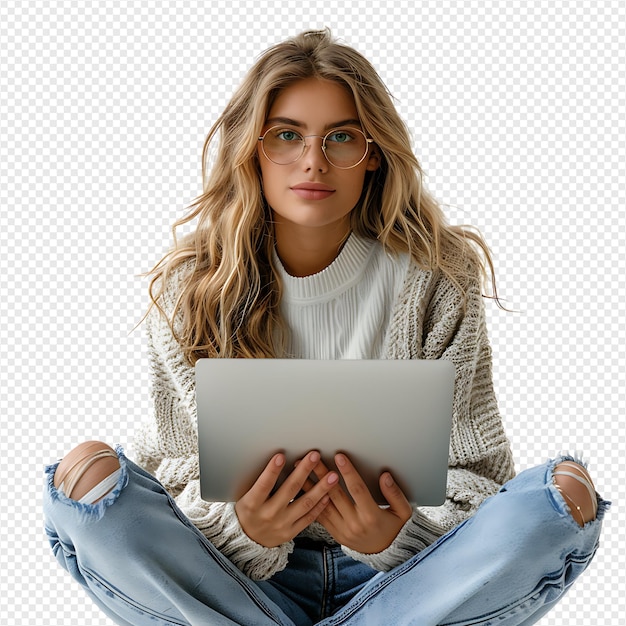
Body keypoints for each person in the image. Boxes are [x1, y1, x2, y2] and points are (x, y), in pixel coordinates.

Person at [43, 29, 608, 625]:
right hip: (233, 579)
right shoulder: (193, 286)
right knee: (85, 480)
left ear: (373, 155)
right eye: (287, 136)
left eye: (341, 137)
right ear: (252, 151)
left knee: (564, 497)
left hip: (404, 582)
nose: (313, 160)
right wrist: (244, 528)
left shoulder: (438, 277)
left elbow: (478, 475)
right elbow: (173, 469)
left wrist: (395, 536)